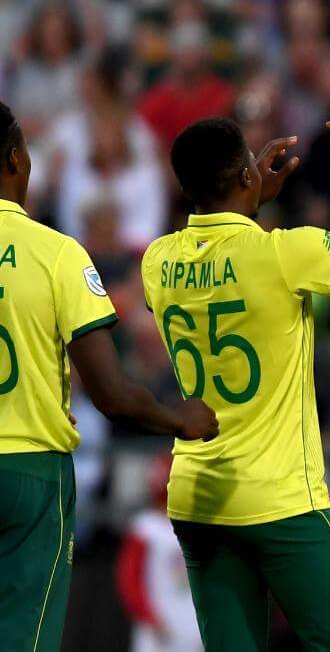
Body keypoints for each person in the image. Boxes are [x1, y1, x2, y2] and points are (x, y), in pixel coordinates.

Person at [139, 88, 330, 652]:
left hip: (198, 496)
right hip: (282, 499)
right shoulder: (284, 253)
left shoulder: (157, 261)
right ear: (248, 174)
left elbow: (220, 258)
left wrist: (243, 199)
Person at [0, 100, 218, 651]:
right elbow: (113, 395)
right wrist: (180, 419)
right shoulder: (56, 253)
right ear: (16, 161)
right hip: (29, 472)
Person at [116, 455, 202, 652]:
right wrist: (147, 616)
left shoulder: (201, 529)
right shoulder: (145, 529)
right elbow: (129, 578)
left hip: (194, 627)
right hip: (157, 629)